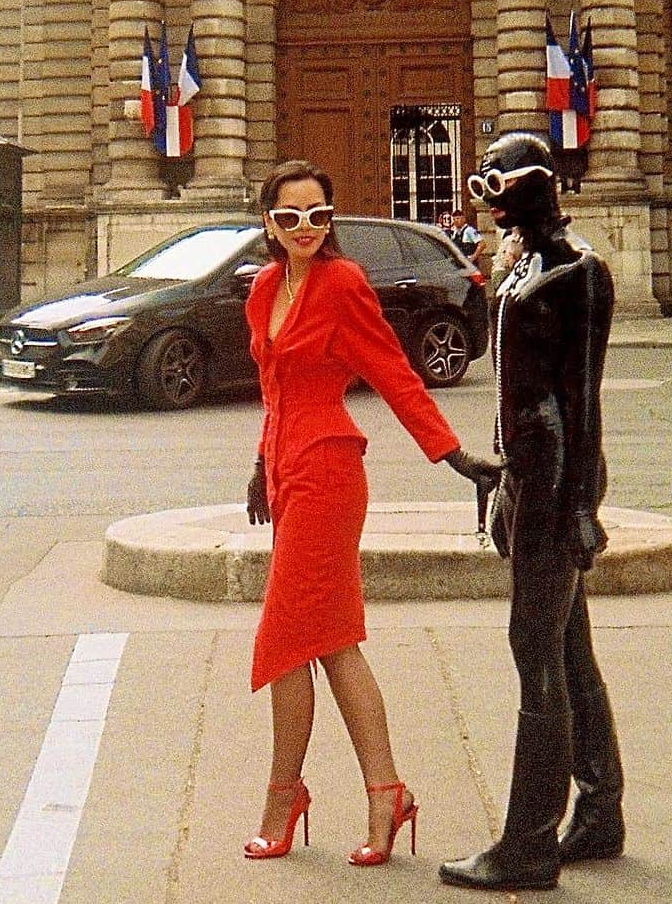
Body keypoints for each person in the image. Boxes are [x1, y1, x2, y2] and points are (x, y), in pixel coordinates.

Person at [242, 159, 499, 866]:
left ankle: (283, 797)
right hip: (288, 471)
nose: (304, 228)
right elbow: (272, 388)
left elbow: (392, 371)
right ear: (268, 221)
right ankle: (385, 792)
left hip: (329, 470)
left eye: (318, 216)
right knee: (327, 642)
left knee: (288, 641)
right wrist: (261, 465)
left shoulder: (342, 285)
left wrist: (451, 453)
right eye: (289, 216)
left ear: (331, 220)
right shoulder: (265, 287)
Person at [440, 131, 624, 893]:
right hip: (528, 476)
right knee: (569, 647)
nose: (490, 201)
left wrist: (578, 503)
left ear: (540, 186)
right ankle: (600, 809)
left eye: (498, 184)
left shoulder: (579, 273)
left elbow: (581, 400)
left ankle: (528, 843)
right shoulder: (526, 268)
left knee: (535, 653)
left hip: (556, 483)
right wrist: (501, 484)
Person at [490, 226, 523, 292]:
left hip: (498, 271)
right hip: (503, 272)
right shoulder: (512, 240)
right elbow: (510, 259)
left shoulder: (507, 239)